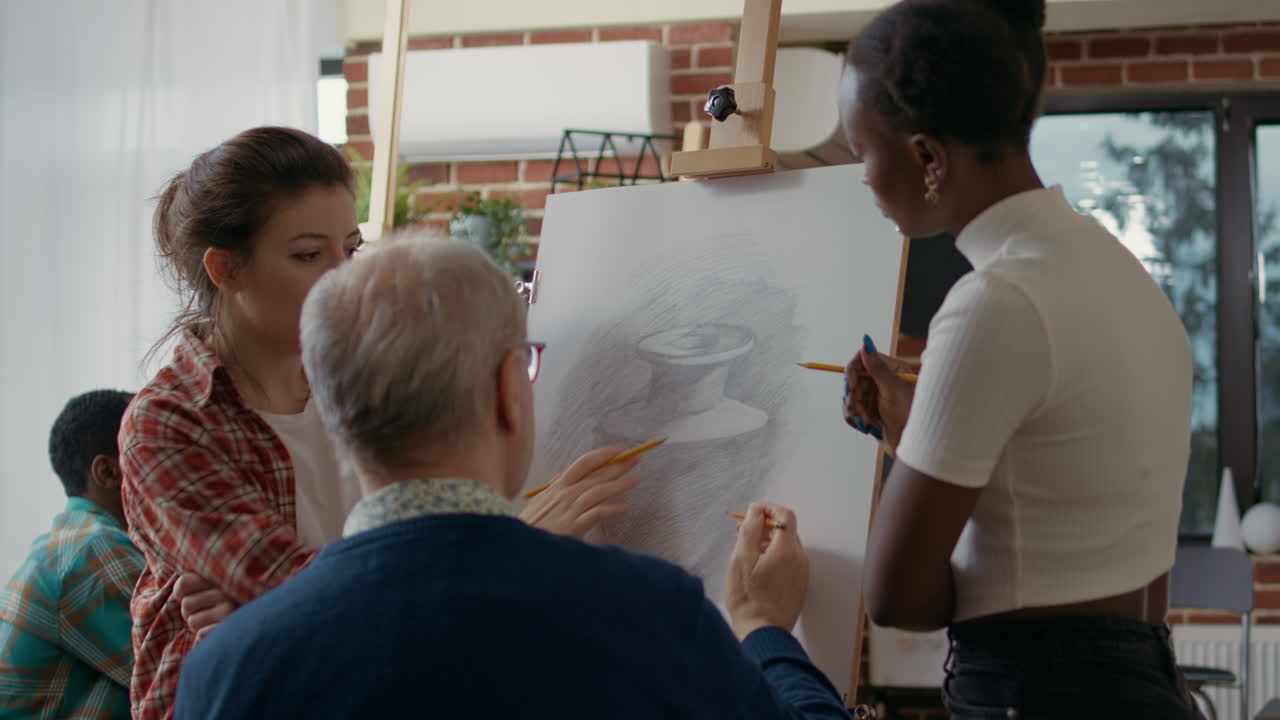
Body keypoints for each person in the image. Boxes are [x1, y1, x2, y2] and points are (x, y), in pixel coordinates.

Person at [172, 237, 849, 720]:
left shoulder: (230, 664)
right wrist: (765, 630)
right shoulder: (646, 610)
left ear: (332, 408)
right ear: (507, 390)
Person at [120, 127, 642, 719]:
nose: (342, 278)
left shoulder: (364, 367)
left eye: (350, 250)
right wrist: (519, 545)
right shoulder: (169, 423)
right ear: (226, 269)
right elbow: (316, 595)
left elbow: (352, 581)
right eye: (308, 255)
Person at [839, 1, 1202, 717]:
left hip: (1046, 691)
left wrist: (909, 476)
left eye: (860, 152)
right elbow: (1050, 503)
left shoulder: (996, 302)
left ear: (925, 156)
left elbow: (896, 596)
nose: (862, 180)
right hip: (1139, 683)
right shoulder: (1110, 265)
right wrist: (915, 436)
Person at [0, 390, 144, 719]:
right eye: (155, 453)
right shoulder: (90, 551)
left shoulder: (69, 541)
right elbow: (196, 677)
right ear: (109, 472)